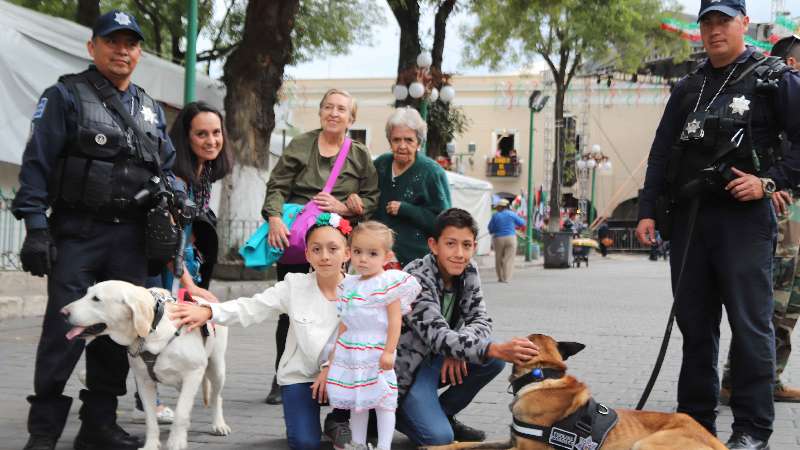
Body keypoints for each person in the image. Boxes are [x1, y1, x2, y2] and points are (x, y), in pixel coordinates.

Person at [12, 10, 186, 450]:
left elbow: (166, 167)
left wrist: (178, 197)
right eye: (112, 41)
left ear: (139, 52)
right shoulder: (65, 96)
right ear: (93, 47)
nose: (122, 50)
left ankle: (98, 427)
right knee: (62, 330)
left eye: (130, 43)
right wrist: (36, 227)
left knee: (119, 329)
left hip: (131, 237)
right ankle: (44, 431)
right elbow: (37, 165)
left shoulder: (148, 107)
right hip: (78, 232)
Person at [635, 1, 800, 448]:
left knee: (750, 327)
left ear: (744, 24)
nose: (714, 30)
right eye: (706, 22)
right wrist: (647, 208)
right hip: (689, 220)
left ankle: (751, 429)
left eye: (723, 21)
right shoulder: (688, 87)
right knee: (695, 326)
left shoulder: (775, 79)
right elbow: (662, 151)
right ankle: (694, 424)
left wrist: (769, 183)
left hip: (743, 221)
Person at [171, 213, 353, 450]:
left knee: (364, 432)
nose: (325, 256)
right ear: (307, 254)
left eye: (333, 248)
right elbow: (252, 307)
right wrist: (209, 312)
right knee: (305, 443)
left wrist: (332, 369)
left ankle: (339, 419)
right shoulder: (294, 286)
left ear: (347, 253)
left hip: (344, 375)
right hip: (301, 376)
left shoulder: (360, 290)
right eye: (316, 249)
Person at [262, 88, 380, 410]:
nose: (333, 113)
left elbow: (370, 198)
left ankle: (333, 372)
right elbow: (277, 185)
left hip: (337, 242)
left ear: (351, 118)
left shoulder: (359, 154)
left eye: (341, 109)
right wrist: (274, 217)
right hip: (298, 239)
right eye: (328, 107)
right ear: (320, 112)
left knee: (336, 307)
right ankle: (281, 376)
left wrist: (346, 206)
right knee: (291, 308)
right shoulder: (300, 145)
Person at [395, 208, 540, 446]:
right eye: (451, 244)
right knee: (439, 438)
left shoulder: (468, 270)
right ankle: (397, 412)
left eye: (467, 245)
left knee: (493, 361)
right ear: (434, 245)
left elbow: (481, 319)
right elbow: (438, 336)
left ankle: (443, 414)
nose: (459, 253)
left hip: (439, 357)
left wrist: (460, 346)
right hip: (408, 370)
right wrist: (486, 348)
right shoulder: (416, 277)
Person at [132, 100, 234, 422]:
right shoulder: (177, 177)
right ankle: (150, 397)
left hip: (185, 260)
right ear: (185, 138)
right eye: (201, 134)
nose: (211, 140)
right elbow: (167, 237)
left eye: (216, 133)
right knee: (154, 325)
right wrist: (189, 283)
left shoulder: (204, 173)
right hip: (164, 263)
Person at [720, 34, 800, 404]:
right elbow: (758, 156)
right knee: (768, 301)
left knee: (790, 303)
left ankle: (770, 377)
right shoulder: (771, 98)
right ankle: (740, 380)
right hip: (781, 212)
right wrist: (772, 182)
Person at [324, 221, 421, 450]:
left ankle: (384, 446)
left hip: (377, 348)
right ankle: (357, 443)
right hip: (352, 349)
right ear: (349, 253)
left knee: (383, 400)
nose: (363, 259)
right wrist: (336, 351)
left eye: (372, 253)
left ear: (386, 257)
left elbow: (395, 321)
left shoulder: (387, 283)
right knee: (359, 400)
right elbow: (345, 322)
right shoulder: (349, 285)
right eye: (357, 252)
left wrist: (389, 351)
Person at [373, 107, 451, 267]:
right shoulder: (381, 164)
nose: (402, 146)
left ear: (419, 142)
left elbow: (445, 222)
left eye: (409, 140)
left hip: (417, 263)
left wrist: (407, 209)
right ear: (389, 141)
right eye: (396, 140)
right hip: (378, 259)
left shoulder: (432, 172)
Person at [488, 198, 525, 283]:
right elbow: (522, 223)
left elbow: (490, 229)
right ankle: (506, 278)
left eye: (498, 207)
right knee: (508, 259)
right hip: (511, 238)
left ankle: (500, 278)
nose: (496, 209)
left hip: (498, 239)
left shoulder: (495, 216)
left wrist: (495, 230)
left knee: (499, 258)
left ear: (501, 207)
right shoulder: (512, 214)